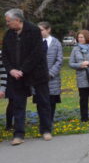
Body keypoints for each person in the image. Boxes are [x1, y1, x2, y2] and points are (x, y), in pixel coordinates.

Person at [2, 9, 53, 146]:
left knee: (43, 101)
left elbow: (37, 53)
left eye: (9, 21)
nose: (7, 24)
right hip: (16, 75)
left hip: (37, 72)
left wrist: (23, 70)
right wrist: (11, 70)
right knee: (18, 104)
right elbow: (5, 55)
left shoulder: (34, 31)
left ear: (17, 20)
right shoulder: (8, 34)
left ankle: (46, 130)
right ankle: (18, 134)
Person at [36, 22, 63, 121]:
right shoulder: (35, 42)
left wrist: (50, 74)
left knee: (51, 101)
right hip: (38, 78)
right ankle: (42, 122)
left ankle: (49, 121)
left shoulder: (56, 43)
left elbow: (59, 60)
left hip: (52, 79)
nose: (39, 32)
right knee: (40, 101)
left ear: (48, 30)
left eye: (41, 30)